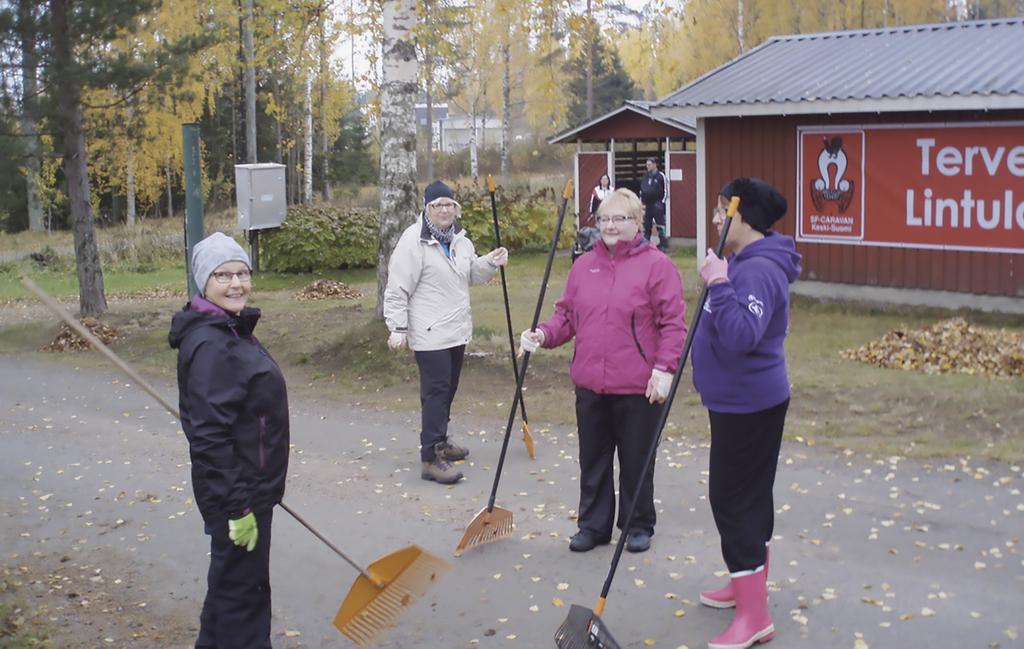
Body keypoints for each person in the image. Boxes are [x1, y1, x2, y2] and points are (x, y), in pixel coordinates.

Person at [520, 188, 686, 553]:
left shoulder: (657, 265)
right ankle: (593, 526)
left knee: (636, 458)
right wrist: (543, 334)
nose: (610, 225)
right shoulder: (584, 266)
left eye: (620, 218)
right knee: (593, 459)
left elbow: (673, 324)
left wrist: (664, 370)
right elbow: (567, 316)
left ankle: (636, 524)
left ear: (638, 223)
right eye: (604, 219)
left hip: (638, 384)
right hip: (591, 382)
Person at [691, 178, 801, 649]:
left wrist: (718, 282)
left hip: (749, 404)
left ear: (745, 217)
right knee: (750, 498)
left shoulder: (756, 271)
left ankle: (754, 616)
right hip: (738, 402)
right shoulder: (745, 261)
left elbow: (740, 336)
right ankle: (745, 587)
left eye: (722, 212)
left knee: (734, 502)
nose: (716, 219)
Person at [168, 232, 290, 649]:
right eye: (224, 275)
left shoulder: (228, 330)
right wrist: (238, 505)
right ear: (205, 282)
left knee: (230, 588)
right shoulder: (212, 344)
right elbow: (209, 437)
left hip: (248, 487)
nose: (236, 283)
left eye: (242, 273)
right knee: (245, 598)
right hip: (238, 493)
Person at [384, 180, 508, 485]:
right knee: (436, 393)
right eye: (437, 205)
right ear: (427, 209)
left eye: (449, 204)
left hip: (456, 331)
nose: (444, 209)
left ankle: (441, 440)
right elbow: (397, 287)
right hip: (429, 333)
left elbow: (470, 275)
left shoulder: (460, 241)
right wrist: (397, 327)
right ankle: (430, 458)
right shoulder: (413, 241)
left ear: (455, 208)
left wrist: (490, 262)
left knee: (447, 390)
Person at [639, 157, 669, 251]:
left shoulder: (660, 176)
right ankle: (646, 243)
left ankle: (663, 244)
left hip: (657, 204)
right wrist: (641, 202)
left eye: (649, 164)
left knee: (660, 224)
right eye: (646, 165)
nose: (648, 166)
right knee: (647, 224)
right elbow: (642, 189)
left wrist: (662, 202)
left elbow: (665, 190)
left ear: (654, 164)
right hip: (647, 204)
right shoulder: (645, 176)